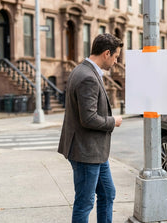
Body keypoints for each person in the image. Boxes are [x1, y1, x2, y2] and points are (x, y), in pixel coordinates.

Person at [58, 33, 123, 223]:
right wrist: (113, 121)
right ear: (106, 53)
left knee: (108, 193)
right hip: (85, 152)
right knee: (84, 203)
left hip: (94, 152)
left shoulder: (82, 70)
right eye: (116, 56)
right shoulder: (88, 77)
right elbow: (89, 118)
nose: (116, 61)